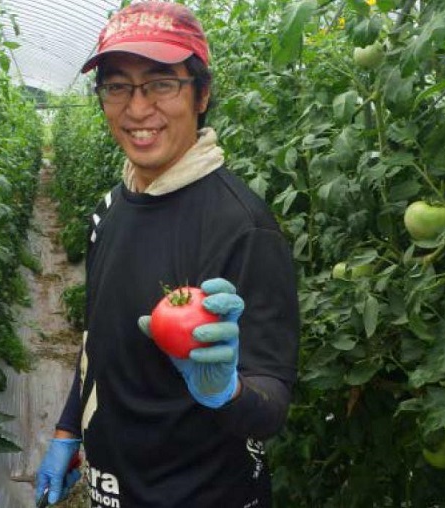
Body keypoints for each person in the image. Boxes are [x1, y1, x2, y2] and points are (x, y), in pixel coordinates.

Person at [35, 2, 300, 507]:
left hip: (203, 494)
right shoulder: (111, 208)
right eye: (117, 86)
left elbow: (273, 404)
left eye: (161, 83)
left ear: (202, 94)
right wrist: (70, 429)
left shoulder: (243, 228)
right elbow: (98, 339)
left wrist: (228, 393)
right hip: (113, 487)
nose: (137, 109)